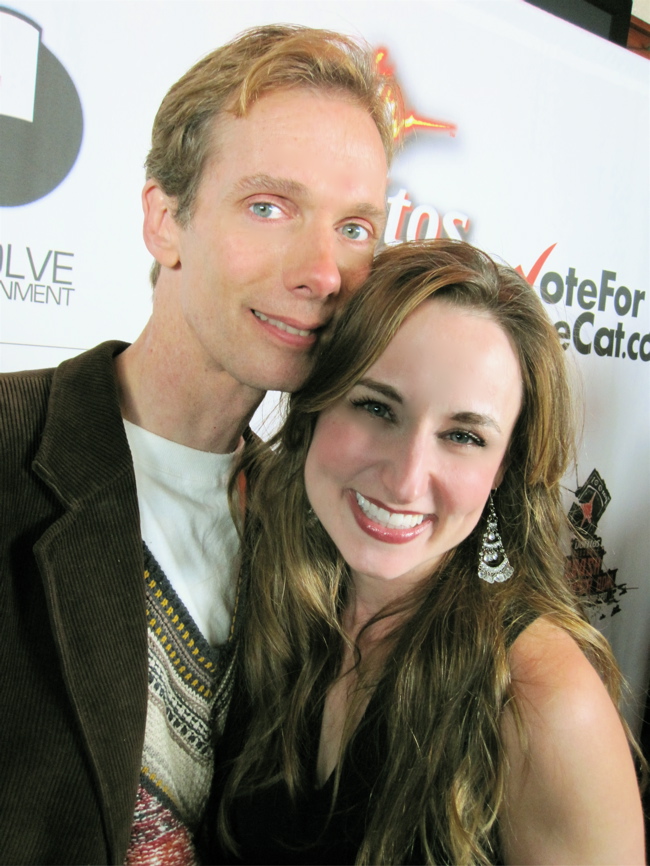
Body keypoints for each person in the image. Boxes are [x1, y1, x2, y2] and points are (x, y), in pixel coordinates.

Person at [0, 25, 396, 865]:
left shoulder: (325, 527)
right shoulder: (9, 449)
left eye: (356, 226)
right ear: (164, 219)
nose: (323, 271)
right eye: (269, 207)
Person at [208, 239, 646, 865]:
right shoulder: (260, 592)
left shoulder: (545, 702)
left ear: (504, 467)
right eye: (376, 407)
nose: (408, 478)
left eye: (464, 435)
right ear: (316, 405)